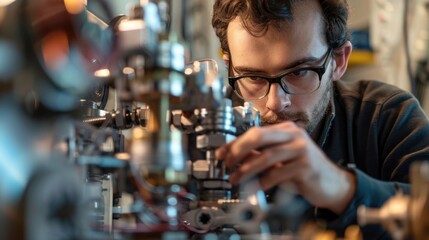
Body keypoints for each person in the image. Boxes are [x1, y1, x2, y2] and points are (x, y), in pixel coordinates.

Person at [211, 0, 429, 238]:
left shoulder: (389, 117)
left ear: (338, 60)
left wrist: (342, 187)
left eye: (298, 72)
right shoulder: (201, 132)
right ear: (229, 67)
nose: (276, 102)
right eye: (252, 77)